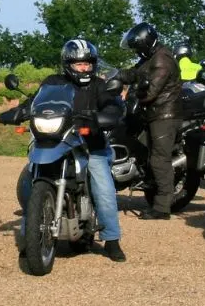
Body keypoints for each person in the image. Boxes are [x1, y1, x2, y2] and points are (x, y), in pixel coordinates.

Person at [38, 39, 127, 261]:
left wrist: (106, 115)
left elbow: (112, 104)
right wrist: (19, 111)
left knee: (103, 188)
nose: (84, 68)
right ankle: (31, 233)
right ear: (68, 64)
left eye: (88, 63)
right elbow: (35, 101)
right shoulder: (53, 82)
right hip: (60, 141)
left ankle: (112, 240)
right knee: (32, 174)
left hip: (91, 145)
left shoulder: (99, 85)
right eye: (79, 64)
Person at [121, 21, 181, 220]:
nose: (137, 51)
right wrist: (117, 76)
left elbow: (149, 92)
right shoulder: (149, 57)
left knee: (159, 158)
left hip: (164, 114)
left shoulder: (162, 59)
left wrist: (132, 93)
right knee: (144, 150)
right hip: (152, 113)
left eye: (138, 47)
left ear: (146, 43)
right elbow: (135, 72)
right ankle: (147, 183)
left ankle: (162, 208)